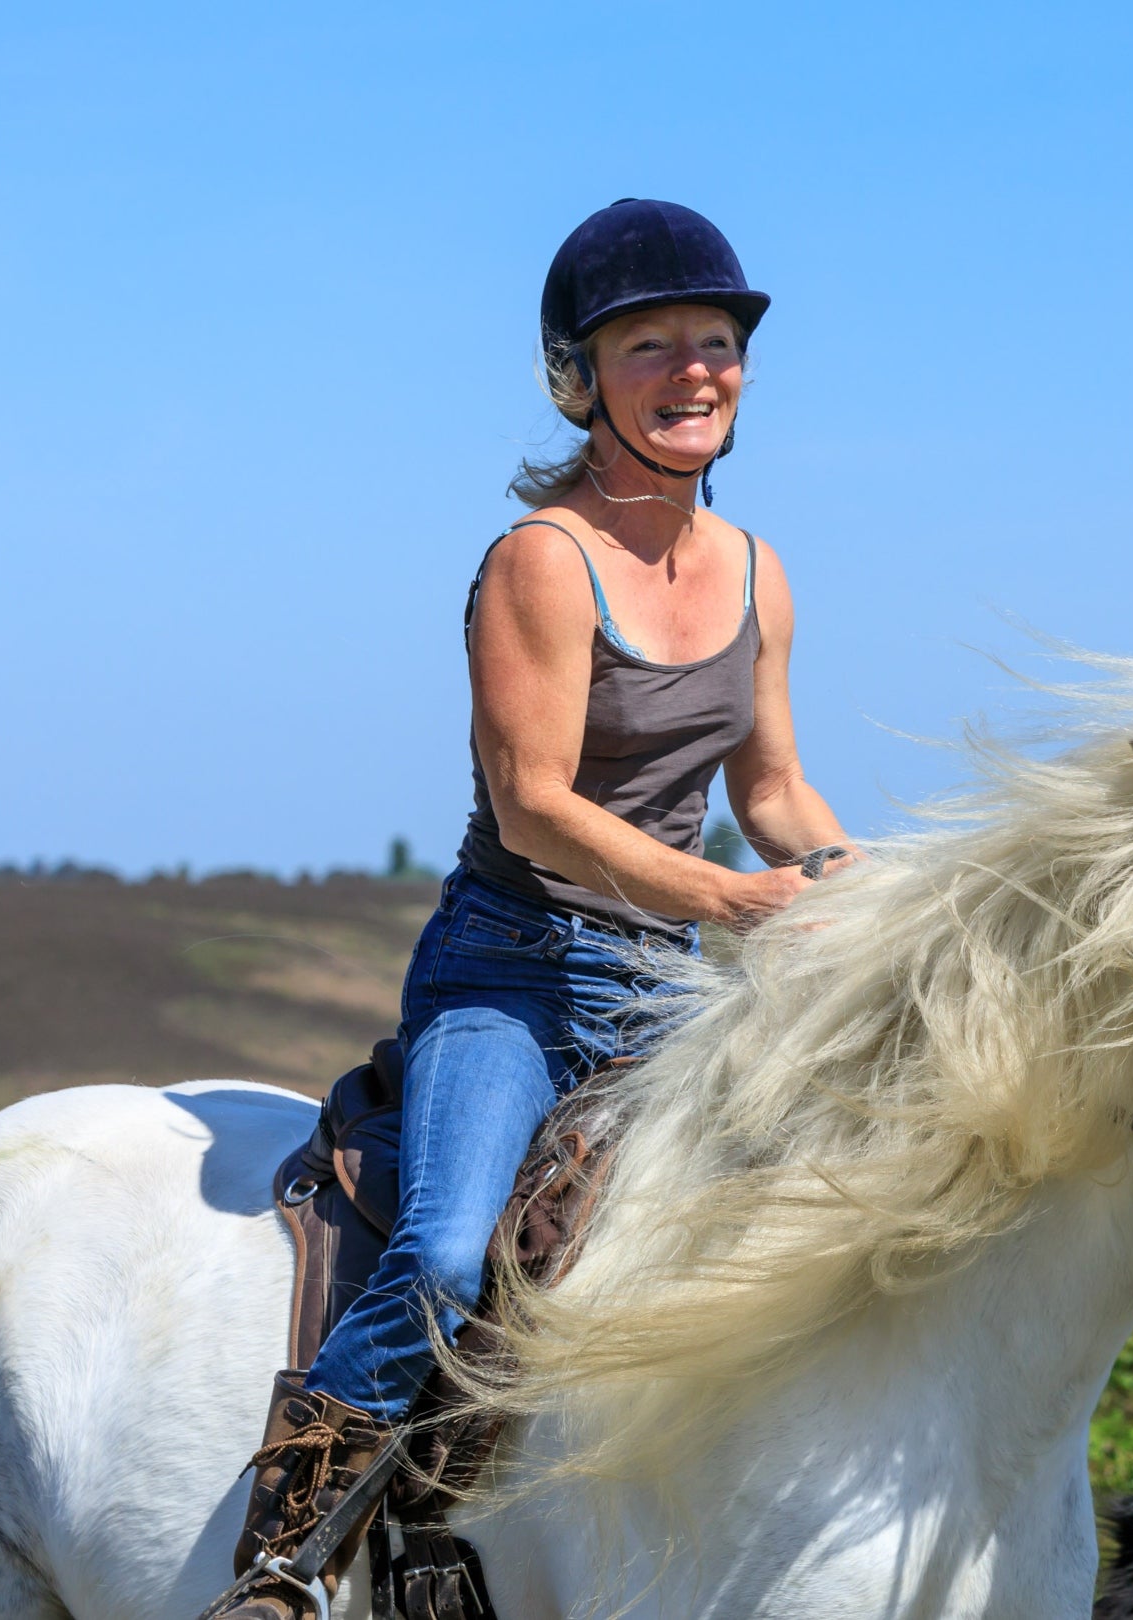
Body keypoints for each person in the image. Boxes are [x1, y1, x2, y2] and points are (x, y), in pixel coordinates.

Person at [204, 198, 853, 1620]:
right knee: (445, 1250)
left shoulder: (759, 572)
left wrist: (859, 881)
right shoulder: (541, 565)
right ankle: (287, 1556)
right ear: (580, 379)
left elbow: (780, 789)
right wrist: (730, 899)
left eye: (717, 342)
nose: (696, 371)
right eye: (652, 348)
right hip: (512, 973)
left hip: (667, 982)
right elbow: (535, 805)